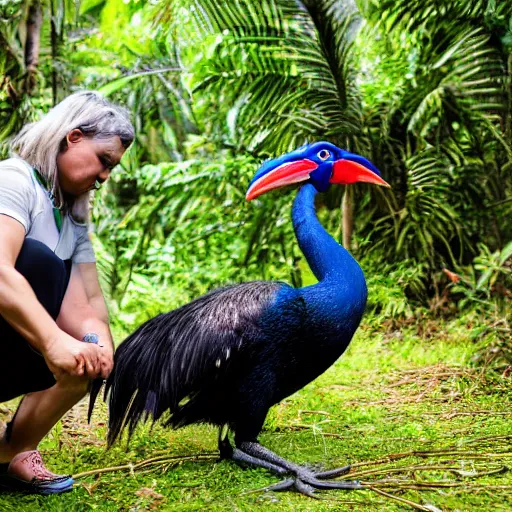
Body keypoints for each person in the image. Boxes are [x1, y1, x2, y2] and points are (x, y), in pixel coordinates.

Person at [0, 91, 134, 494]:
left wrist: (96, 346)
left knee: (86, 361)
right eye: (103, 161)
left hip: (16, 342)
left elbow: (87, 302)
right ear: (72, 137)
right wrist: (55, 340)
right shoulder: (14, 180)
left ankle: (11, 454)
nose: (105, 176)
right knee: (38, 263)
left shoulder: (72, 216)